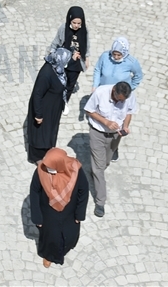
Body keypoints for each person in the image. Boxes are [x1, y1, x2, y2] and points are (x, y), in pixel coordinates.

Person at [84, 82, 137, 218]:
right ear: (114, 91)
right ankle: (100, 202)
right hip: (98, 133)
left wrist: (125, 126)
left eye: (122, 101)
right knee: (99, 168)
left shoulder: (128, 96)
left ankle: (95, 172)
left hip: (115, 136)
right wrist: (106, 122)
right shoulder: (100, 93)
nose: (120, 102)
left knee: (106, 162)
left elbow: (129, 112)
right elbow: (89, 110)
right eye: (118, 99)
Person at [30, 148, 89, 268]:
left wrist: (79, 214)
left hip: (70, 211)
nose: (48, 169)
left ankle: (66, 248)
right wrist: (37, 217)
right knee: (50, 236)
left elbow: (83, 191)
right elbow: (34, 191)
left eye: (51, 166)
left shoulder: (75, 170)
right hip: (48, 212)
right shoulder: (41, 170)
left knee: (69, 234)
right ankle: (49, 256)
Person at [26, 48, 71, 163]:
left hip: (53, 108)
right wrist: (38, 114)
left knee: (49, 131)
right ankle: (37, 157)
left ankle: (47, 152)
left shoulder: (57, 68)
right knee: (41, 133)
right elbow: (37, 94)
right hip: (44, 109)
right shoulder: (46, 73)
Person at [48, 6, 88, 102]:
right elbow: (56, 41)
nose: (76, 25)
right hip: (64, 59)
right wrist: (52, 54)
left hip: (76, 62)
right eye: (74, 23)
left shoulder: (84, 30)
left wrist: (86, 57)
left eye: (79, 23)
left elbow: (87, 44)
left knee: (70, 85)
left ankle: (64, 102)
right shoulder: (63, 28)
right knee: (59, 82)